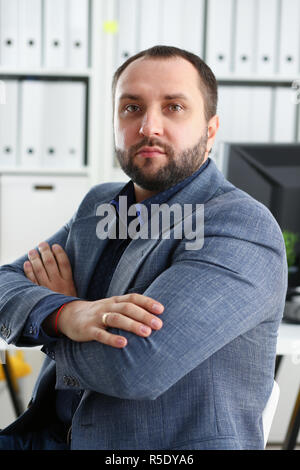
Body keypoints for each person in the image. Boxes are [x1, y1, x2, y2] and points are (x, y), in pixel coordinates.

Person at [0, 45, 287, 450]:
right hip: (45, 436)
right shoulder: (100, 206)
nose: (149, 127)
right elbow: (4, 283)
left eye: (174, 107)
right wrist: (69, 312)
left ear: (210, 129)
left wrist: (51, 318)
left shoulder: (240, 226)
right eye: (132, 108)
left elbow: (131, 368)